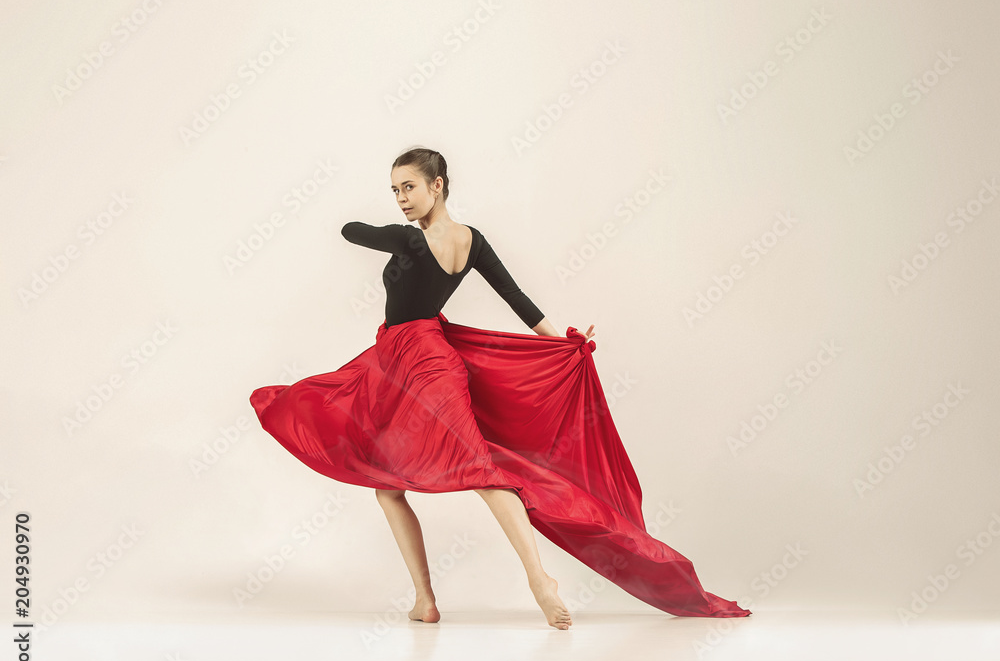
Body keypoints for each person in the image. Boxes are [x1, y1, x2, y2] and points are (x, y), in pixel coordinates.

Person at [250, 146, 750, 630]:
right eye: (394, 190)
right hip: (397, 363)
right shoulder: (472, 241)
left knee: (480, 471)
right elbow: (517, 297)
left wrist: (396, 232)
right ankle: (425, 600)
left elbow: (349, 230)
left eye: (409, 187)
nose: (401, 199)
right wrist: (563, 341)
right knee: (388, 484)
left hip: (423, 361)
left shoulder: (410, 241)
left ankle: (539, 579)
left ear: (437, 185)